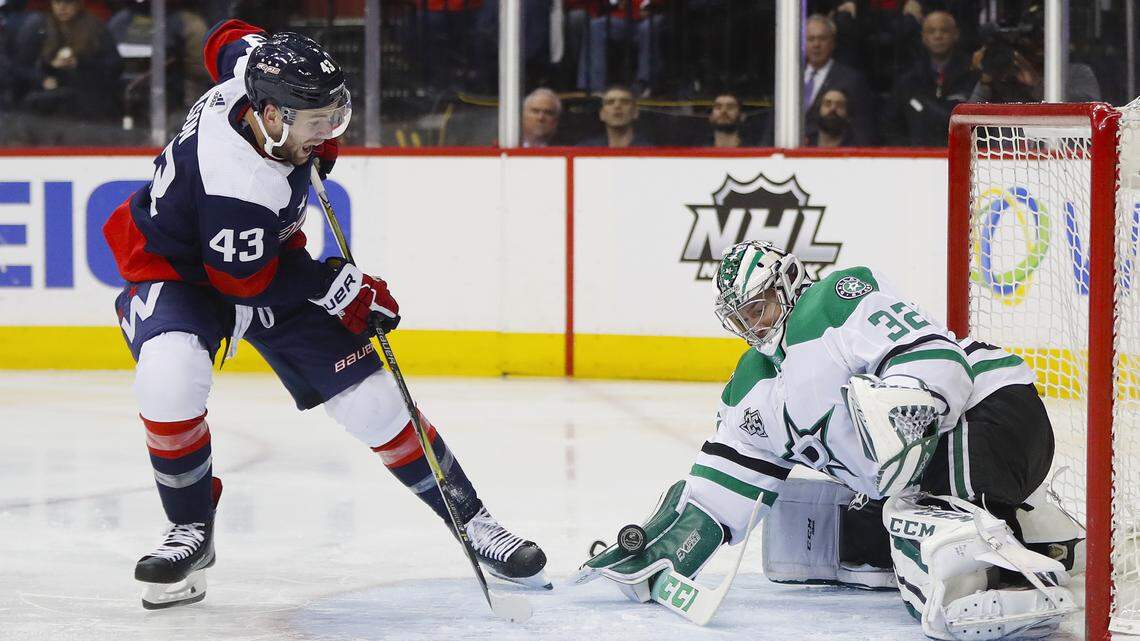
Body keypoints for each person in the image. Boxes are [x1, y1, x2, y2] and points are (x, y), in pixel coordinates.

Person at [101, 19, 550, 610]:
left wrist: (282, 80)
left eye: (332, 118)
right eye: (317, 125)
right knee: (169, 377)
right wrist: (340, 286)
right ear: (268, 115)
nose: (330, 134)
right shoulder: (238, 183)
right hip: (177, 272)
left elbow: (223, 36)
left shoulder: (259, 75)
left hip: (261, 256)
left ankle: (476, 523)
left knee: (375, 400)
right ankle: (190, 529)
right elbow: (246, 283)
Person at [576, 241, 1082, 639]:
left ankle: (1012, 575)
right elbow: (725, 485)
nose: (756, 325)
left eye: (762, 306)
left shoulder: (833, 301)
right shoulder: (752, 388)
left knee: (920, 551)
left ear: (790, 283)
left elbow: (932, 354)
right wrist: (665, 547)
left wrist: (908, 403)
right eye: (742, 317)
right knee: (829, 535)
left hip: (996, 417)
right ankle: (1037, 534)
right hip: (946, 459)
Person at [883, 11, 976, 147]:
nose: (938, 36)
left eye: (944, 30)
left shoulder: (972, 75)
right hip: (916, 160)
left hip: (961, 156)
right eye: (932, 31)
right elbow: (891, 125)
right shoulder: (908, 80)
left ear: (956, 34)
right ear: (923, 37)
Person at [20, 0, 122, 120]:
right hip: (52, 92)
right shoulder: (41, 26)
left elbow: (115, 65)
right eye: (57, 3)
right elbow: (23, 65)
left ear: (78, 4)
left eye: (67, 3)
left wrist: (80, 63)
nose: (62, 8)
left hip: (87, 92)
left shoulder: (95, 28)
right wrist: (43, 78)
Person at [802, 14, 875, 146]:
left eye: (822, 39)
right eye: (810, 39)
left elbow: (863, 132)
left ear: (833, 43)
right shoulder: (790, 79)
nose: (816, 45)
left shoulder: (852, 80)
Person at [579, 84, 653, 147]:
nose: (617, 106)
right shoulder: (582, 151)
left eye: (624, 102)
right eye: (610, 102)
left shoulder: (653, 154)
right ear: (602, 114)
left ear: (635, 113)